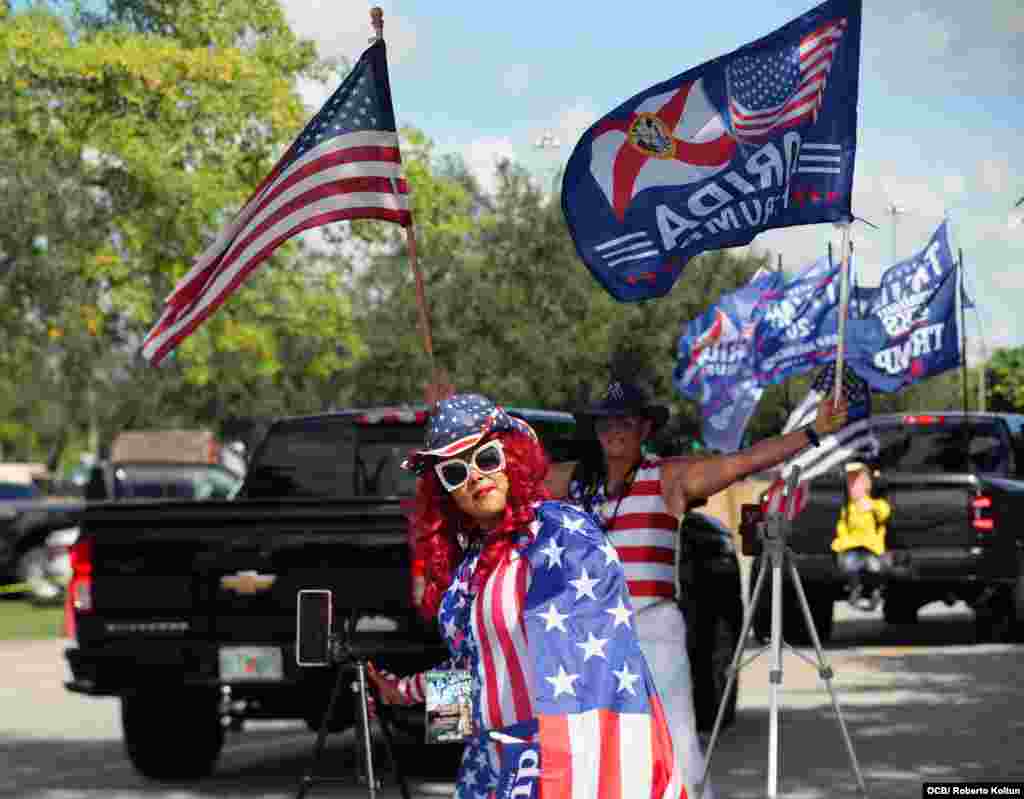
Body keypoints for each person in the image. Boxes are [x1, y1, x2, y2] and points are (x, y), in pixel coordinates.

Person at [545, 375, 849, 799]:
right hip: (587, 636)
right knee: (592, 751)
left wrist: (812, 431)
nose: (614, 430)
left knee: (677, 744)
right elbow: (504, 484)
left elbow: (742, 462)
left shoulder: (668, 477)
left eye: (625, 422)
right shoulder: (570, 482)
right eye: (605, 422)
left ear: (644, 428)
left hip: (651, 629)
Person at [368, 394, 685, 799]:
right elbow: (474, 669)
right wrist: (400, 693)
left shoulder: (558, 531)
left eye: (486, 458)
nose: (475, 477)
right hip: (490, 765)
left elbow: (593, 662)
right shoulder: (468, 569)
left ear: (513, 458)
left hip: (559, 759)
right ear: (444, 492)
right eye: (454, 471)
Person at [832, 461, 890, 611]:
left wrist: (873, 506)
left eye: (857, 483)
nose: (854, 488)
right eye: (851, 485)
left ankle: (875, 592)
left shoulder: (875, 504)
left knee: (874, 567)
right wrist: (842, 540)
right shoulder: (848, 508)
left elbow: (884, 513)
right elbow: (842, 525)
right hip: (853, 545)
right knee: (850, 566)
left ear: (867, 485)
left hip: (871, 546)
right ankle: (855, 590)